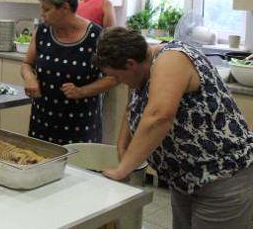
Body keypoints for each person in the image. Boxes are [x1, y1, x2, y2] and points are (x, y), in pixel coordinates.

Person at [94, 27, 253, 229]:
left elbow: (159, 117)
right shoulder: (141, 71)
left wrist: (123, 170)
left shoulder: (172, 59)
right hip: (185, 179)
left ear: (130, 64)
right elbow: (132, 107)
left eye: (117, 77)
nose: (118, 82)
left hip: (221, 176)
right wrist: (122, 146)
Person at [20, 0, 116, 145]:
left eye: (46, 9)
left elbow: (113, 77)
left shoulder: (96, 36)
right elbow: (27, 64)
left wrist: (81, 91)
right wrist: (29, 78)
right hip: (43, 122)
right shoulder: (42, 32)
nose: (42, 14)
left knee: (79, 162)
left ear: (64, 7)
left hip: (81, 126)